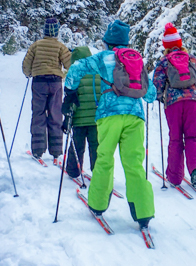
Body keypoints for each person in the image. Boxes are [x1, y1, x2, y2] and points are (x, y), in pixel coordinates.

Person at [63, 20, 157, 227]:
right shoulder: (136, 60)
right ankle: (143, 213)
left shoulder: (102, 58)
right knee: (134, 164)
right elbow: (151, 94)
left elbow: (77, 68)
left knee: (104, 159)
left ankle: (97, 204)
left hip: (108, 115)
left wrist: (70, 91)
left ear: (107, 42)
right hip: (135, 116)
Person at [151, 23, 196, 188]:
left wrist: (160, 97)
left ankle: (175, 177)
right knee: (194, 137)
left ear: (166, 46)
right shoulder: (191, 59)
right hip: (193, 102)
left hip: (173, 104)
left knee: (175, 139)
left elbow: (157, 84)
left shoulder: (164, 62)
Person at [22, 17, 71, 165]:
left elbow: (26, 65)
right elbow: (70, 64)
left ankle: (37, 149)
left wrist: (28, 73)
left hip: (39, 83)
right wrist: (64, 76)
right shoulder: (60, 47)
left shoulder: (36, 46)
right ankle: (56, 151)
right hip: (55, 82)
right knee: (55, 114)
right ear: (56, 32)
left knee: (38, 114)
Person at [63, 45, 102, 184]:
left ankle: (73, 170)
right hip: (96, 119)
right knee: (96, 146)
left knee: (77, 146)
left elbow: (70, 97)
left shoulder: (74, 74)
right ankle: (98, 171)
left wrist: (67, 117)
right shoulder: (98, 73)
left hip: (79, 119)